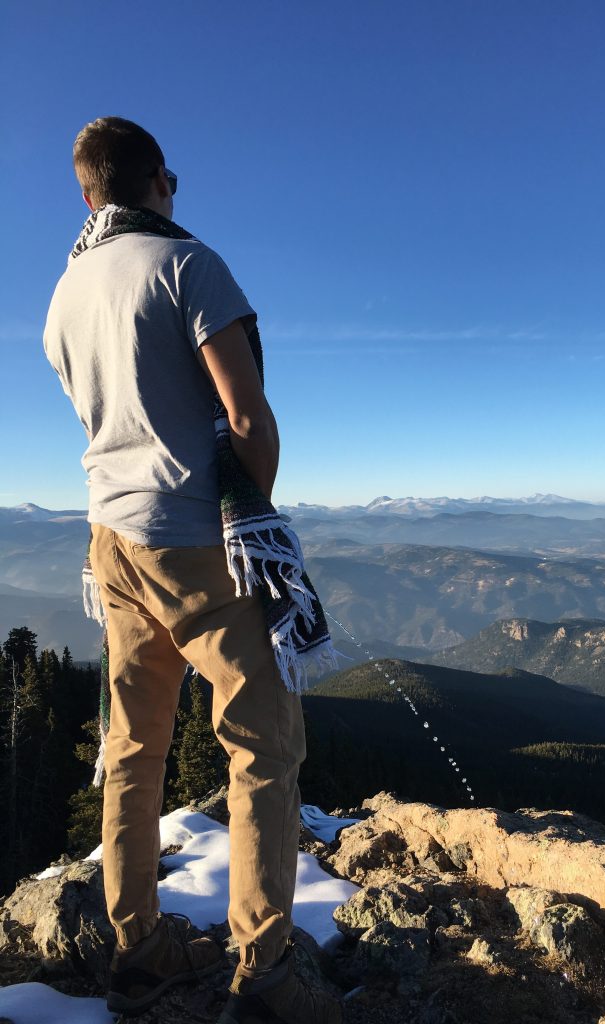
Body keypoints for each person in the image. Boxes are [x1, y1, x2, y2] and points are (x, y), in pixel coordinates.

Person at [43, 116, 342, 1024]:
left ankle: (138, 952)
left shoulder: (62, 293)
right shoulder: (187, 264)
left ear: (89, 195)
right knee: (262, 745)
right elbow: (246, 416)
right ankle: (267, 971)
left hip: (109, 543)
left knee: (134, 747)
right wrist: (254, 517)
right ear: (160, 182)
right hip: (195, 540)